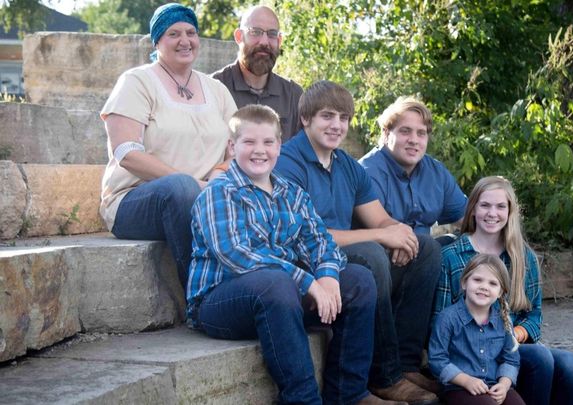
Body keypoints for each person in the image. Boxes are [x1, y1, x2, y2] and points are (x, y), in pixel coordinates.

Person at [186, 104, 393, 405]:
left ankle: (348, 394)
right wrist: (309, 283)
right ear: (232, 147)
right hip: (220, 302)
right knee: (276, 282)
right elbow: (237, 253)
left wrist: (327, 277)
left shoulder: (292, 194)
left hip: (281, 299)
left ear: (279, 146)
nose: (260, 150)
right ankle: (303, 399)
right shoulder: (219, 192)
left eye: (268, 142)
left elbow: (321, 241)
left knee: (358, 280)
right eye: (249, 142)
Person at [276, 81, 440, 405]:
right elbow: (305, 237)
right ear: (306, 118)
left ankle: (406, 365)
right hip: (304, 271)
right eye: (327, 116)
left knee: (426, 249)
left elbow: (380, 219)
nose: (336, 125)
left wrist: (399, 234)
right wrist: (381, 235)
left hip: (340, 262)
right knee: (371, 255)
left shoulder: (346, 165)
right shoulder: (287, 163)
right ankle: (384, 377)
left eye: (343, 118)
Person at [100, 3, 237, 289]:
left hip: (205, 195)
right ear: (157, 41)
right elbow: (126, 153)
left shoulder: (217, 90)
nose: (184, 40)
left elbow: (238, 151)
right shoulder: (137, 82)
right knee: (181, 189)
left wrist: (216, 176)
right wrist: (193, 184)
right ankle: (199, 292)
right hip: (136, 201)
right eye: (173, 34)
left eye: (191, 33)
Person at [433, 176, 573, 405]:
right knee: (540, 357)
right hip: (470, 352)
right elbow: (439, 320)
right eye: (485, 205)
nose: (492, 213)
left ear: (510, 211)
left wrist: (512, 335)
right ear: (472, 209)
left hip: (510, 347)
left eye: (500, 206)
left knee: (571, 366)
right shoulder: (451, 257)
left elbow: (534, 316)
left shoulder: (523, 257)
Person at [358, 97, 466, 241]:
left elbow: (466, 219)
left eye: (421, 133)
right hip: (379, 249)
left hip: (422, 249)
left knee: (456, 241)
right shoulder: (367, 172)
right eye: (405, 131)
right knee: (429, 244)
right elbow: (376, 231)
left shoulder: (436, 172)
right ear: (386, 133)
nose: (414, 140)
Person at [429, 253, 525, 405]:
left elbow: (511, 359)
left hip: (493, 384)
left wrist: (504, 384)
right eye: (477, 280)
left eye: (493, 283)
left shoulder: (503, 321)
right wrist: (466, 380)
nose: (484, 287)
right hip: (458, 387)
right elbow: (437, 359)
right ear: (464, 283)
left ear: (500, 292)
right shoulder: (447, 318)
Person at [212, 5, 303, 141]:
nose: (264, 42)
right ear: (239, 36)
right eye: (255, 32)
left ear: (279, 41)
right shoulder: (214, 89)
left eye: (272, 34)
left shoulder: (293, 96)